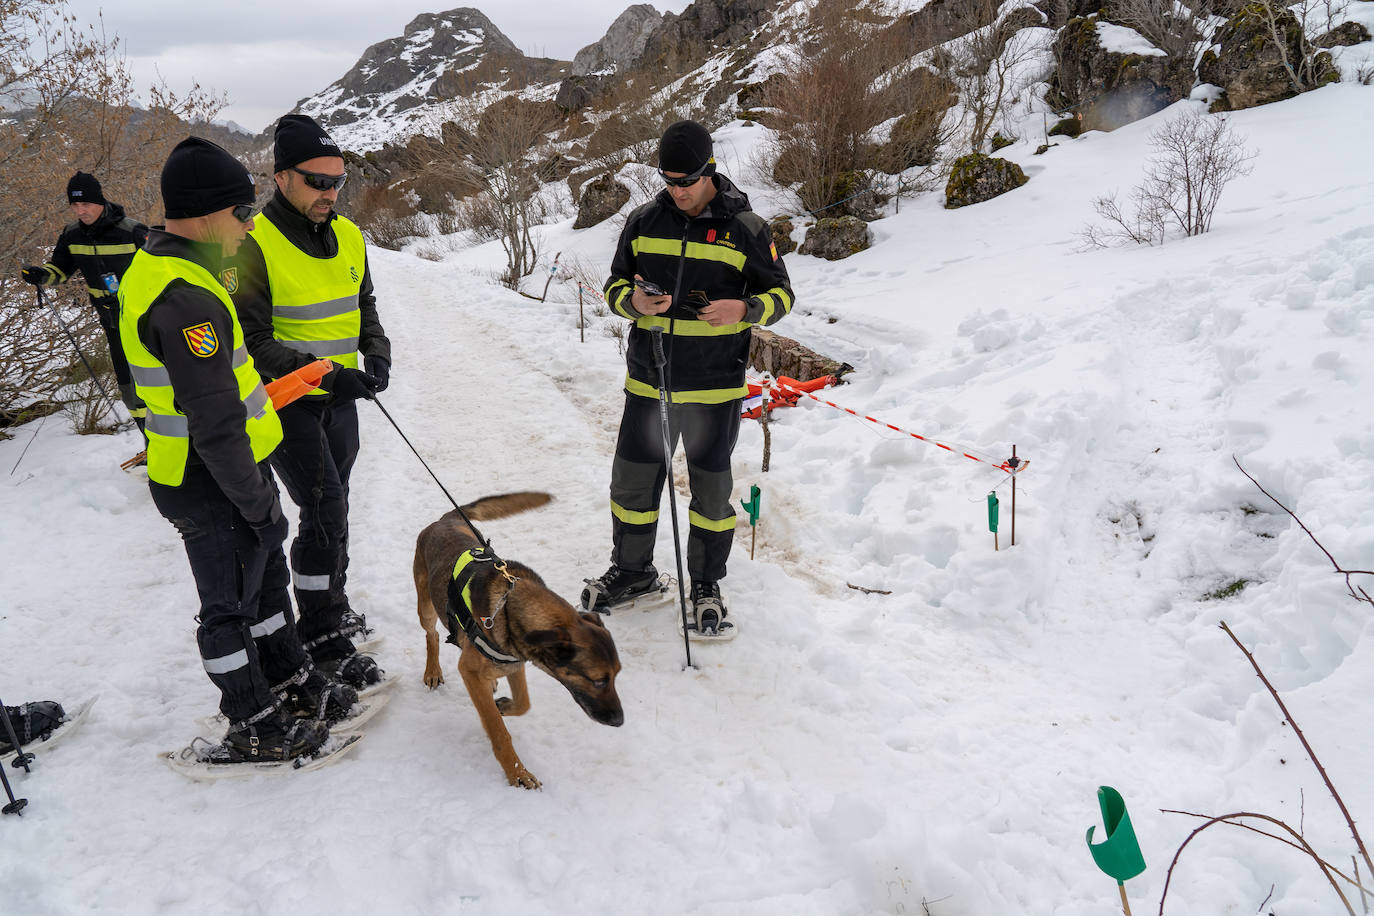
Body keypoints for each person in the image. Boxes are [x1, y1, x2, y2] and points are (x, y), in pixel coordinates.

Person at [118, 136, 356, 762]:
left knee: (269, 586)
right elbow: (216, 424)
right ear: (202, 214)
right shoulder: (183, 300)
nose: (249, 226)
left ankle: (288, 679)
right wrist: (259, 506)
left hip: (232, 472)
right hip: (207, 478)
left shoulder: (180, 269)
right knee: (228, 608)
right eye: (241, 212)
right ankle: (254, 723)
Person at [583, 120, 795, 638]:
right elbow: (613, 286)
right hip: (648, 384)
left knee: (711, 496)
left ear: (710, 171)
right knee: (631, 487)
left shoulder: (746, 227)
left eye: (688, 181)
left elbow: (783, 297)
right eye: (669, 181)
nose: (677, 191)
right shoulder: (643, 220)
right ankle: (634, 573)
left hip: (714, 390)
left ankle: (705, 584)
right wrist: (630, 301)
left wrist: (743, 309)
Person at [229, 114, 390, 689]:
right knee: (322, 509)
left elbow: (362, 303)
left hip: (339, 398)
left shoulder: (349, 235)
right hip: (286, 401)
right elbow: (253, 340)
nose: (330, 192)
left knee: (336, 502)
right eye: (318, 181)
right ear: (282, 178)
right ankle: (321, 634)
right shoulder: (254, 243)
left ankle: (330, 604)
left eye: (338, 180)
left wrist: (377, 350)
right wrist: (324, 373)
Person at [20, 172, 150, 435]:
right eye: (75, 205)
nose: (81, 210)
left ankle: (179, 444)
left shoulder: (132, 231)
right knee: (129, 387)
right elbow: (60, 270)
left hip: (146, 321)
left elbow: (163, 269)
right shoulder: (72, 235)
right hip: (112, 324)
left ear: (100, 201)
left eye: (86, 204)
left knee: (157, 382)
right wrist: (41, 275)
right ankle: (150, 442)